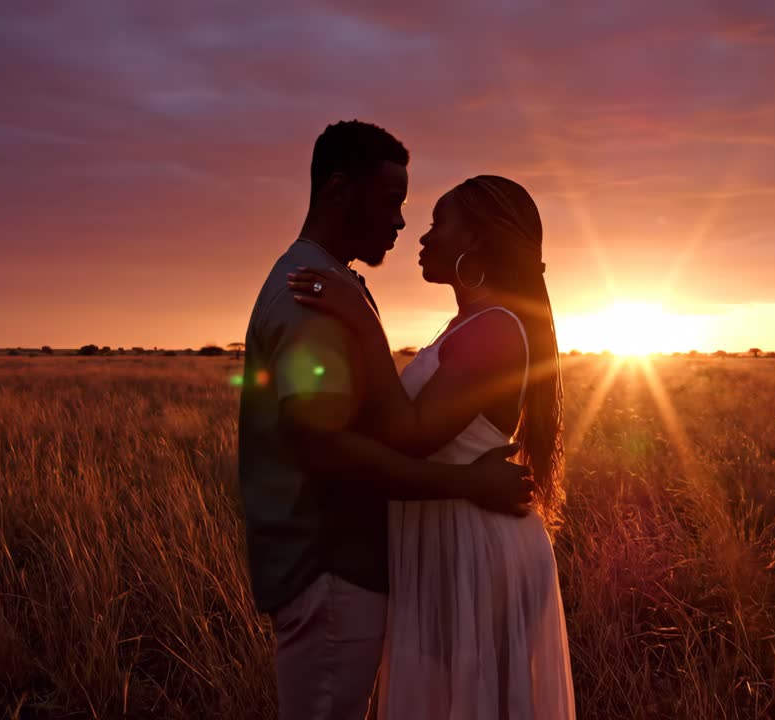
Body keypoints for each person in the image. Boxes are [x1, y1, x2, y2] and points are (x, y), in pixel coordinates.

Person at [238, 122, 535, 720]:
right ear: (341, 193)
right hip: (330, 564)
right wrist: (467, 483)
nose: (403, 223)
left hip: (378, 560)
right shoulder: (313, 296)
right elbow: (324, 449)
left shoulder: (332, 289)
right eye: (392, 202)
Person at [288, 175, 575, 718]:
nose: (422, 236)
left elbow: (409, 435)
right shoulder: (470, 324)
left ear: (478, 240)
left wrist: (359, 316)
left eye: (439, 222)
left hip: (474, 550)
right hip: (453, 539)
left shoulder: (494, 329)